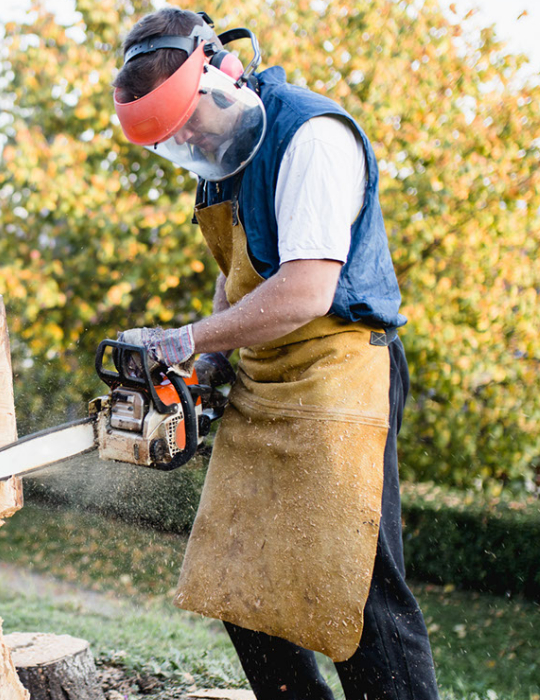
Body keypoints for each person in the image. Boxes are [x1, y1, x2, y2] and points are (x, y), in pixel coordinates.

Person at [110, 7, 440, 699]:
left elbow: (305, 290)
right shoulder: (222, 160)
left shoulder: (310, 135)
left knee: (355, 590)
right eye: (176, 140)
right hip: (266, 376)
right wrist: (207, 364)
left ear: (222, 72)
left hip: (339, 371)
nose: (192, 141)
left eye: (190, 122)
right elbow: (240, 277)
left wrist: (192, 338)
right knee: (237, 578)